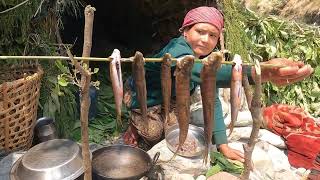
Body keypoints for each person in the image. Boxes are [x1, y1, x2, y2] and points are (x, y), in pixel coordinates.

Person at [122, 6, 314, 162]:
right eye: (200, 31)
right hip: (145, 97)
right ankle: (134, 123)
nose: (205, 39)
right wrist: (262, 71)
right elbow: (206, 75)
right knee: (154, 133)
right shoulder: (177, 49)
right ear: (186, 31)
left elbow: (211, 98)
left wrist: (223, 145)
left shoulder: (204, 60)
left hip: (171, 100)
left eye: (212, 35)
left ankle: (159, 117)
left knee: (175, 131)